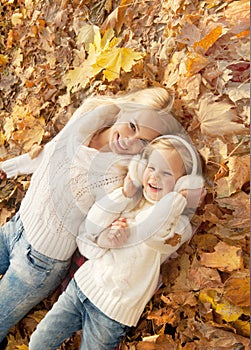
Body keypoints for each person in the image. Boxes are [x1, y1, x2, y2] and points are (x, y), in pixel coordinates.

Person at [0, 87, 183, 344]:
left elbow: (101, 226)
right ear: (125, 108)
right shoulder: (89, 117)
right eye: (132, 126)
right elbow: (49, 153)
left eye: (142, 141)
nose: (129, 140)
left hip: (39, 261)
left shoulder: (122, 176)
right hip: (15, 226)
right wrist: (7, 169)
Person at [28, 134, 204, 350]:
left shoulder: (178, 225)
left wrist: (178, 199)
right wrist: (122, 198)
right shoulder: (130, 200)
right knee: (39, 342)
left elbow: (155, 233)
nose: (155, 177)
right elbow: (93, 224)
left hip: (113, 312)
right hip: (83, 285)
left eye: (166, 172)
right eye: (150, 167)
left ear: (182, 184)